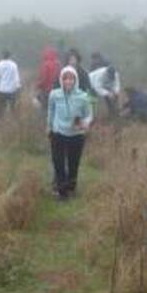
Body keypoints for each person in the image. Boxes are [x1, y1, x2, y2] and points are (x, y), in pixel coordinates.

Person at [46, 66, 94, 200]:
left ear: (75, 80)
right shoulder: (54, 94)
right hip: (58, 133)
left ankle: (71, 188)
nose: (68, 81)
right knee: (58, 163)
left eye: (71, 78)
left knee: (73, 164)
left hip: (76, 135)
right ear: (61, 80)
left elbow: (89, 114)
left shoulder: (83, 96)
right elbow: (51, 111)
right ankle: (62, 192)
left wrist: (85, 123)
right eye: (65, 78)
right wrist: (48, 126)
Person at [0, 50, 21, 119]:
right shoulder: (13, 65)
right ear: (9, 56)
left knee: (1, 106)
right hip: (12, 90)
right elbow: (16, 77)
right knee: (12, 107)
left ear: (3, 56)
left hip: (2, 89)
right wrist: (18, 86)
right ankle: (13, 120)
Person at [35, 46, 60, 110]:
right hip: (56, 91)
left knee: (45, 108)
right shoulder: (58, 64)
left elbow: (43, 79)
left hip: (46, 91)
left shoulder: (45, 65)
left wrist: (38, 85)